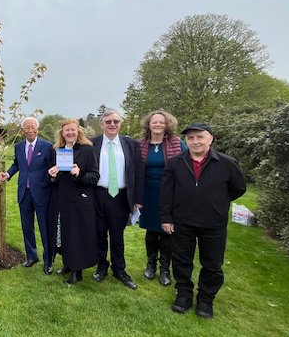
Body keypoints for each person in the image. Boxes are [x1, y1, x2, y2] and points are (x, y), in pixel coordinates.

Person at [161, 123, 246, 318]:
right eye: (190, 138)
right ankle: (183, 294)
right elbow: (166, 192)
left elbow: (238, 188)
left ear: (210, 139)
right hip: (182, 221)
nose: (195, 141)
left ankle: (206, 299)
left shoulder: (226, 163)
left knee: (213, 263)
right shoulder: (175, 163)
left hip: (213, 223)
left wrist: (217, 201)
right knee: (182, 260)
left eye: (200, 137)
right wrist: (166, 217)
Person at [91, 108, 144, 290]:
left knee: (117, 235)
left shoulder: (131, 144)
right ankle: (101, 266)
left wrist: (138, 198)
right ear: (102, 125)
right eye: (108, 122)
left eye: (116, 121)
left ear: (121, 123)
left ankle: (119, 270)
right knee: (99, 234)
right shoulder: (92, 144)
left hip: (121, 196)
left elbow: (138, 173)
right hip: (98, 194)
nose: (112, 124)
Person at [47, 119, 100, 285]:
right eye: (66, 130)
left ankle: (78, 272)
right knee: (64, 234)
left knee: (77, 236)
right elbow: (53, 180)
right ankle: (68, 264)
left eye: (73, 130)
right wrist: (52, 175)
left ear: (78, 132)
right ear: (62, 133)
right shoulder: (58, 151)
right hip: (62, 200)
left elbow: (95, 176)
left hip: (79, 200)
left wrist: (79, 173)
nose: (70, 133)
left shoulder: (87, 150)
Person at [138, 110, 186, 286]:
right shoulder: (141, 144)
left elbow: (188, 163)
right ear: (148, 125)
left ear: (167, 125)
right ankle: (150, 264)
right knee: (151, 231)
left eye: (161, 122)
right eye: (154, 122)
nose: (157, 125)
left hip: (170, 193)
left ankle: (165, 268)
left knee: (167, 231)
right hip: (148, 193)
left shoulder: (177, 143)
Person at [3, 117, 55, 274]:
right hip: (24, 193)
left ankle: (48, 261)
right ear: (23, 130)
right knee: (27, 227)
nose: (30, 130)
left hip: (42, 193)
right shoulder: (19, 147)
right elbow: (17, 165)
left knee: (44, 228)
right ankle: (32, 256)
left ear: (37, 129)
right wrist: (8, 174)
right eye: (27, 128)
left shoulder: (47, 146)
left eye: (33, 127)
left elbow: (52, 168)